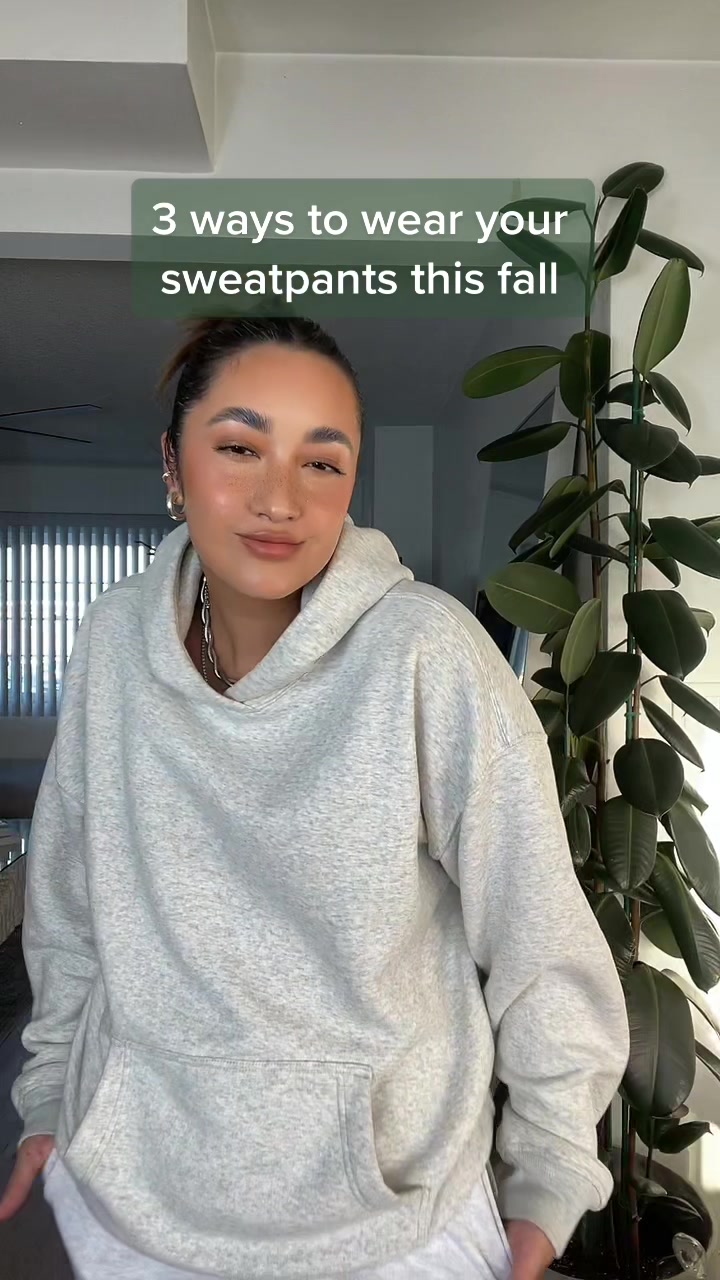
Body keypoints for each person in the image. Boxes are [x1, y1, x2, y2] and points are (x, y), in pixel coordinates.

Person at [0, 315, 629, 1280]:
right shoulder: (114, 640)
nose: (279, 499)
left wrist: (547, 1179)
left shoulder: (427, 654)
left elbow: (539, 934)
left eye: (322, 463)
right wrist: (50, 1097)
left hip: (391, 1222)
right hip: (128, 1197)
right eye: (239, 448)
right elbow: (71, 899)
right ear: (172, 465)